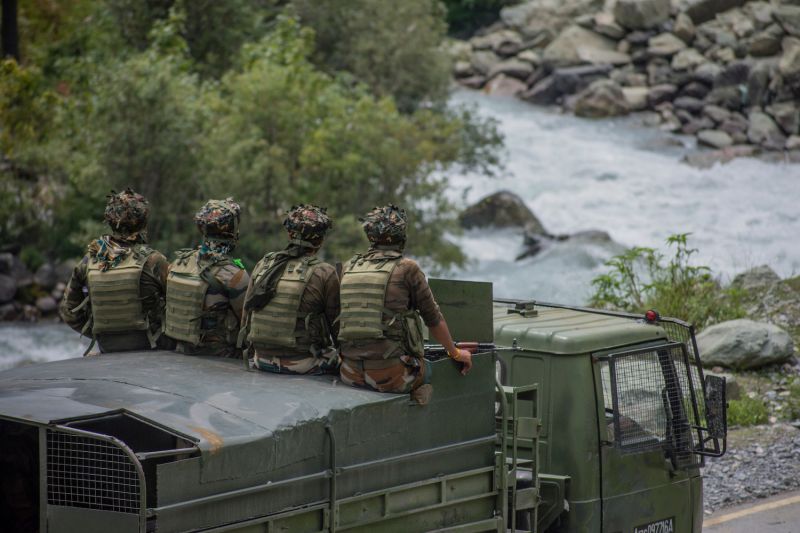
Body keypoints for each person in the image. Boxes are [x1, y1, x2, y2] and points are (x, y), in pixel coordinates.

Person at [337, 205, 472, 404]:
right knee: (431, 369)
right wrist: (456, 352)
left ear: (370, 236)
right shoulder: (407, 268)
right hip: (391, 377)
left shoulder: (348, 267)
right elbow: (433, 319)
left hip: (349, 374)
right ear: (402, 236)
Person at [59, 188, 169, 353]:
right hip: (151, 347)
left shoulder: (89, 260)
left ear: (109, 220)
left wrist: (99, 333)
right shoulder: (154, 261)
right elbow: (177, 306)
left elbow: (68, 311)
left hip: (107, 347)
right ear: (143, 221)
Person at [241, 204, 340, 374]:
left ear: (289, 234)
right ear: (321, 240)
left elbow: (246, 317)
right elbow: (337, 328)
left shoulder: (264, 264)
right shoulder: (324, 272)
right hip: (304, 363)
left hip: (261, 360)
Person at [164, 198, 250, 358]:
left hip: (178, 352)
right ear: (232, 230)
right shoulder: (233, 275)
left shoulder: (179, 263)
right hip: (220, 358)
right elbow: (249, 324)